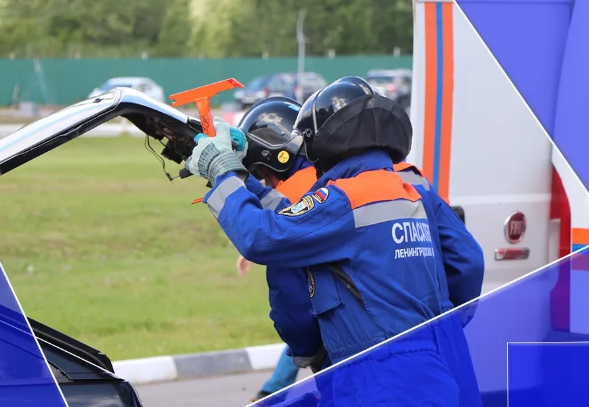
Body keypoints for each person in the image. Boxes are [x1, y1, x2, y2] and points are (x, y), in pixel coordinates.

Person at [185, 80, 460, 406]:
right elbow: (298, 221)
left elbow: (262, 237)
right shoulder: (405, 191)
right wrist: (241, 178)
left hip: (377, 382)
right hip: (429, 373)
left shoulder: (346, 198)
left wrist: (222, 171)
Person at [233, 96, 321, 403]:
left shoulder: (295, 192)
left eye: (262, 171)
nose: (267, 182)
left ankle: (272, 390)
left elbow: (294, 309)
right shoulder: (330, 178)